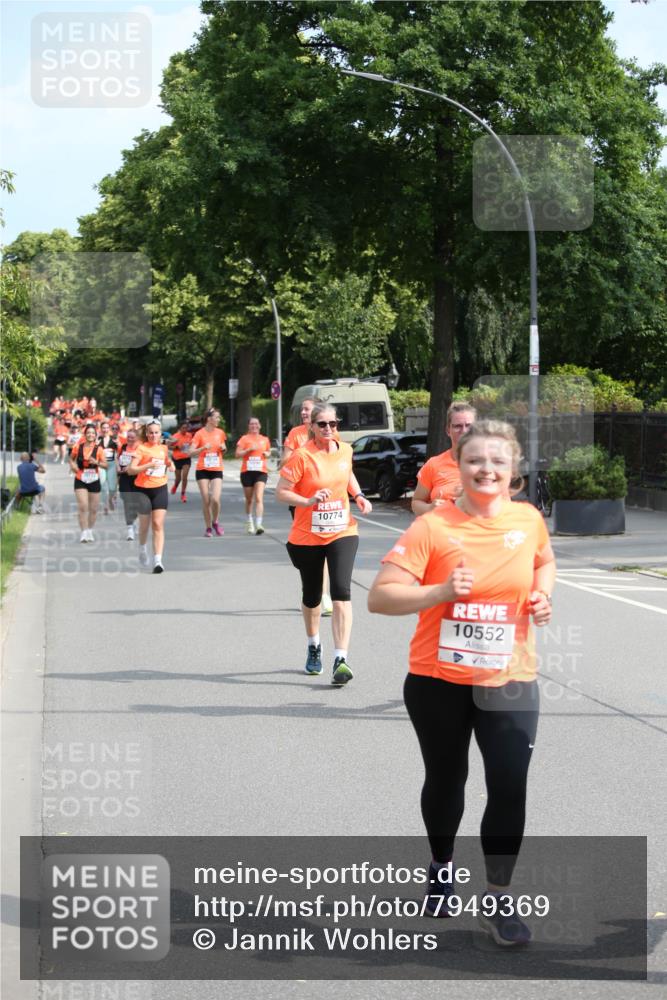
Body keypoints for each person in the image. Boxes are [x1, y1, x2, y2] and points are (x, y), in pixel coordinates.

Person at [368, 420, 555, 946]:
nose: (486, 469)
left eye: (497, 461)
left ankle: (498, 898)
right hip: (437, 680)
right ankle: (441, 863)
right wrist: (441, 591)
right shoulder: (432, 527)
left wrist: (542, 596)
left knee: (510, 784)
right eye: (475, 460)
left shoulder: (528, 520)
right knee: (447, 780)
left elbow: (544, 561)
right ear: (459, 466)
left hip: (509, 677)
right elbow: (380, 597)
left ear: (513, 471)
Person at [275, 402, 372, 685]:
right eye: (323, 424)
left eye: (333, 423)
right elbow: (281, 492)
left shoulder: (345, 450)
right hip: (307, 535)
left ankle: (341, 658)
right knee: (312, 596)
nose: (329, 428)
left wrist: (359, 495)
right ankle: (314, 644)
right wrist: (307, 500)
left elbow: (348, 473)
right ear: (312, 427)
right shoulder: (302, 456)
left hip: (342, 530)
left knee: (342, 590)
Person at [281, 396, 334, 615]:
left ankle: (325, 595)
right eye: (302, 409)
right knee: (308, 551)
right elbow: (284, 462)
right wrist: (303, 454)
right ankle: (311, 590)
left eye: (307, 409)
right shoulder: (295, 434)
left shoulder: (329, 431)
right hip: (300, 500)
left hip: (324, 501)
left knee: (325, 545)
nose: (303, 412)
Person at [411, 402, 477, 515]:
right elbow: (416, 502)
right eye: (457, 426)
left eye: (469, 426)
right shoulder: (434, 464)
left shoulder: (490, 464)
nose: (464, 431)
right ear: (448, 430)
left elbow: (504, 506)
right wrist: (429, 508)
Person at [128, 421, 174, 573]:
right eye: (151, 433)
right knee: (144, 526)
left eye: (156, 432)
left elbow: (166, 460)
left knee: (158, 524)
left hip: (160, 488)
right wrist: (147, 466)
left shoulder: (163, 448)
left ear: (160, 434)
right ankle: (142, 549)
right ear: (147, 434)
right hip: (143, 490)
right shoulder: (141, 448)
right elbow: (131, 470)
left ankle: (158, 561)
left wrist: (171, 465)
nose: (154, 435)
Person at [190, 408, 227, 537]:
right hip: (203, 470)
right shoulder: (199, 434)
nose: (218, 420)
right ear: (209, 419)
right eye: (217, 417)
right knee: (206, 500)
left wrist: (223, 448)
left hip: (216, 469)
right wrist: (202, 448)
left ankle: (215, 521)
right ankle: (208, 527)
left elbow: (224, 447)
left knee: (215, 499)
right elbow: (190, 452)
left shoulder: (220, 433)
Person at [69, 424, 108, 542]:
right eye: (88, 433)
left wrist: (97, 462)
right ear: (85, 434)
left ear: (95, 435)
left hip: (94, 479)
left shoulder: (99, 449)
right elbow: (71, 459)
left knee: (94, 509)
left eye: (93, 433)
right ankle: (84, 532)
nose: (90, 435)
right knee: (83, 506)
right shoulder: (78, 447)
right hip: (80, 478)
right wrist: (73, 466)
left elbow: (105, 465)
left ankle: (90, 530)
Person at [236, 417, 272, 534]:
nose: (254, 426)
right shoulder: (244, 439)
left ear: (260, 425)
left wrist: (267, 453)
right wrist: (248, 450)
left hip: (261, 472)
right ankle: (249, 521)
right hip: (247, 472)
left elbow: (269, 451)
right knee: (249, 499)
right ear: (248, 426)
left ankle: (259, 524)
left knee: (259, 497)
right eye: (252, 424)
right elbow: (237, 454)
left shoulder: (264, 439)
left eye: (256, 424)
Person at [117, 427, 141, 541]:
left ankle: (134, 519)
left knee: (136, 503)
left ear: (137, 438)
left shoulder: (140, 448)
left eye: (132, 437)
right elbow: (117, 459)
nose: (130, 439)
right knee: (127, 502)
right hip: (124, 478)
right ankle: (130, 528)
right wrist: (118, 467)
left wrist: (131, 467)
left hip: (137, 478)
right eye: (128, 437)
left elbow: (143, 461)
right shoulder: (123, 447)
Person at [168, 421, 193, 503]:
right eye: (183, 428)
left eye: (186, 428)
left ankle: (183, 494)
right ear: (180, 428)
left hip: (186, 458)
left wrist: (191, 448)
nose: (185, 429)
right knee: (178, 478)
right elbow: (168, 446)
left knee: (184, 477)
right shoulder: (175, 436)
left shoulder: (189, 435)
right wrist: (176, 447)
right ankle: (175, 486)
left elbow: (192, 445)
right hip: (177, 459)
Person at [98, 420, 118, 514]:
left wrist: (118, 466)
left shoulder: (114, 439)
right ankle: (105, 506)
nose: (105, 430)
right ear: (101, 429)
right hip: (101, 465)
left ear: (109, 429)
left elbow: (118, 453)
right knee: (102, 486)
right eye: (103, 428)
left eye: (107, 428)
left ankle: (110, 499)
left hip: (112, 464)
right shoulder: (98, 440)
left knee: (112, 487)